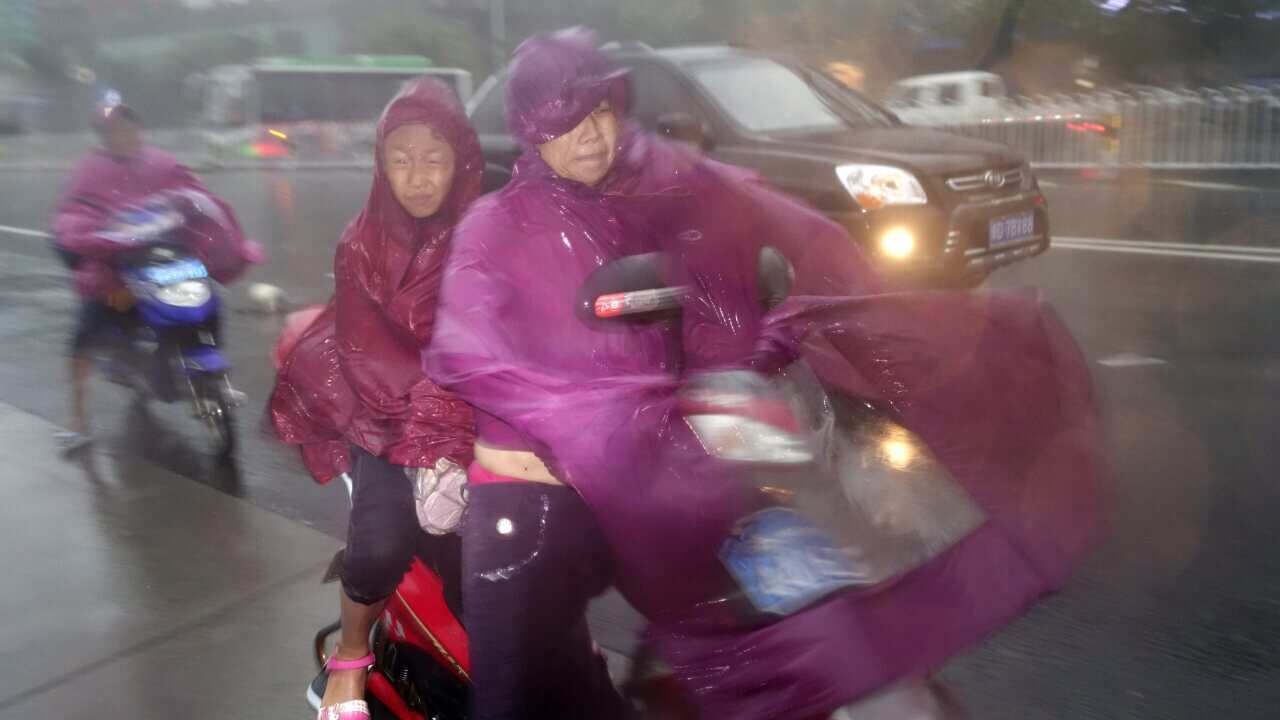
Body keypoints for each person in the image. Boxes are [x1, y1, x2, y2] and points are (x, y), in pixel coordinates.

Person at [426, 28, 1107, 720]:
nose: (593, 135)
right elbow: (474, 351)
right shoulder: (495, 227)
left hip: (673, 468)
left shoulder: (659, 179)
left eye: (600, 111)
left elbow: (789, 231)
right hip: (539, 493)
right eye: (566, 124)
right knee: (515, 693)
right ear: (529, 131)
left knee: (820, 625)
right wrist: (603, 423)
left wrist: (847, 315)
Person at [268, 78, 479, 720]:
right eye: (401, 157)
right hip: (388, 417)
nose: (417, 175)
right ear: (381, 165)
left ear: (461, 161)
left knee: (513, 549)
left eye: (433, 157)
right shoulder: (359, 243)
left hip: (479, 412)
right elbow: (368, 355)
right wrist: (436, 434)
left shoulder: (487, 232)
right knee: (382, 543)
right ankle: (351, 656)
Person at [52, 101, 256, 452]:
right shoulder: (89, 171)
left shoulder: (162, 163)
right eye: (113, 130)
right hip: (114, 268)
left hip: (168, 259)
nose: (122, 135)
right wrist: (80, 234)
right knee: (85, 334)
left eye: (127, 128)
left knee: (207, 302)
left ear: (139, 129)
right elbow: (74, 212)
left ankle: (214, 374)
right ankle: (77, 421)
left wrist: (209, 216)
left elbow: (196, 195)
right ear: (103, 136)